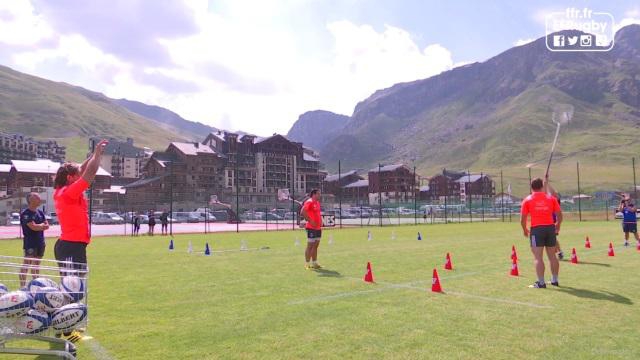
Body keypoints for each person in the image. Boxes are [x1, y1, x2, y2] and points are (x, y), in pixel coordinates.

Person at [53, 139, 107, 343]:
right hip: (70, 248)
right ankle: (66, 331)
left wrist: (93, 155)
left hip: (72, 247)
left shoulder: (64, 191)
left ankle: (62, 329)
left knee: (71, 291)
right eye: (77, 174)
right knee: (71, 292)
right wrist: (98, 156)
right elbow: (90, 173)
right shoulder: (69, 192)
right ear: (70, 178)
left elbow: (83, 169)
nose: (81, 176)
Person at [520, 177, 562, 288]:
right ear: (542, 186)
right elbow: (559, 215)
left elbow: (523, 219)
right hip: (550, 229)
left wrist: (524, 230)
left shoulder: (527, 199)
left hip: (537, 230)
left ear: (531, 187)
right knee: (552, 256)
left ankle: (541, 282)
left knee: (538, 257)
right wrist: (558, 225)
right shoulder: (551, 198)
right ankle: (554, 280)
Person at [19, 193, 49, 288]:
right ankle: (23, 287)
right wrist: (40, 226)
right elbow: (33, 227)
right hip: (30, 243)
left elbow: (46, 225)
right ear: (31, 200)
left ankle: (36, 287)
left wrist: (38, 226)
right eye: (37, 197)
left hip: (40, 242)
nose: (39, 199)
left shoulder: (40, 213)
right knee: (27, 264)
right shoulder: (26, 214)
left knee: (36, 265)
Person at [300, 189, 322, 270]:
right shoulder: (309, 201)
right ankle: (307, 263)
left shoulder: (317, 203)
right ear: (314, 194)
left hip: (318, 227)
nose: (320, 195)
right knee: (310, 246)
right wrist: (310, 220)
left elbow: (317, 213)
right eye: (318, 194)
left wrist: (320, 221)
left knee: (316, 246)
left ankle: (315, 263)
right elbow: (302, 211)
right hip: (311, 228)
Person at [545, 182, 564, 260]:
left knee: (553, 238)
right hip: (546, 222)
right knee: (551, 239)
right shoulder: (548, 199)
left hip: (553, 222)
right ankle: (558, 252)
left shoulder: (556, 200)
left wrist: (547, 182)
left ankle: (559, 252)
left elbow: (553, 192)